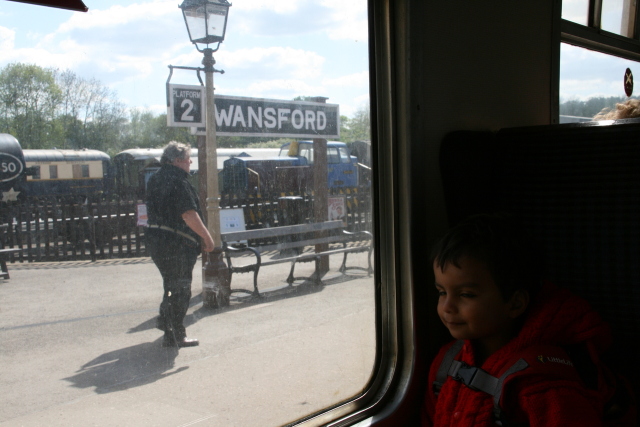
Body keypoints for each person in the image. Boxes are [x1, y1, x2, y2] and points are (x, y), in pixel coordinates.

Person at [420, 214, 625, 426]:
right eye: (442, 292)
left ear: (515, 304)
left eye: (466, 295)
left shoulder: (544, 384)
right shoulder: (447, 361)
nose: (447, 307)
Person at [146, 142, 214, 348]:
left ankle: (166, 323)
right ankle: (175, 332)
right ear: (177, 161)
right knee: (181, 289)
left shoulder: (155, 179)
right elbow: (188, 214)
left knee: (171, 285)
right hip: (176, 243)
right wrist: (207, 237)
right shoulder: (178, 181)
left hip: (157, 240)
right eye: (187, 159)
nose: (190, 162)